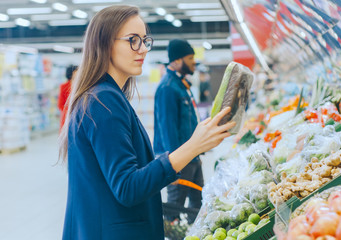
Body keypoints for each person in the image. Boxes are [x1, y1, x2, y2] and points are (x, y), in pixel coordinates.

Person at [58, 5, 235, 240]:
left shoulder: (104, 96)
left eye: (144, 40)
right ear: (104, 44)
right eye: (133, 40)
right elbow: (127, 187)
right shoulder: (103, 100)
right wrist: (194, 146)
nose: (143, 49)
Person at [154, 39, 204, 223]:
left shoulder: (181, 84)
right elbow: (167, 129)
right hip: (179, 159)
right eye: (190, 57)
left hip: (192, 156)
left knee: (198, 203)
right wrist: (172, 166)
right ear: (176, 60)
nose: (193, 62)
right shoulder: (167, 88)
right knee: (174, 207)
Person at [57, 65, 77, 129]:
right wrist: (70, 111)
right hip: (67, 116)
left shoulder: (80, 85)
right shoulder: (64, 86)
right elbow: (60, 104)